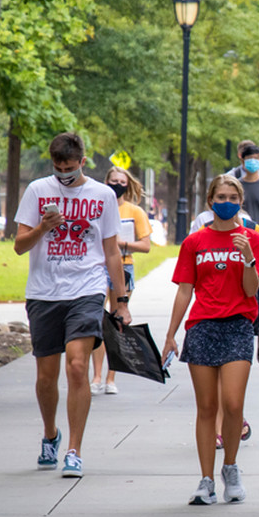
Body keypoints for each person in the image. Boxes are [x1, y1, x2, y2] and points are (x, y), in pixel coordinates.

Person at [13, 132, 130, 478]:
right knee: (46, 377)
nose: (63, 173)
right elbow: (20, 245)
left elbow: (111, 252)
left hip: (87, 289)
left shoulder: (102, 195)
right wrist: (43, 227)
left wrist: (120, 301)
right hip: (45, 292)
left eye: (69, 167)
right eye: (57, 167)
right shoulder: (37, 191)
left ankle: (74, 450)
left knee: (77, 367)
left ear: (82, 161)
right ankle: (51, 434)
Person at [163, 175, 259, 505]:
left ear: (241, 201)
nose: (226, 201)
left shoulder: (252, 239)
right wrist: (171, 334)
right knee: (206, 407)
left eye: (232, 196)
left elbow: (252, 289)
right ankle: (206, 479)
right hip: (202, 326)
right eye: (220, 196)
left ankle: (231, 467)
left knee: (234, 404)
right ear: (210, 201)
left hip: (238, 324)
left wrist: (248, 258)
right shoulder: (194, 242)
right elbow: (184, 290)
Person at [90, 166, 152, 396]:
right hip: (98, 264)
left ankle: (110, 377)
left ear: (128, 185)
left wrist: (120, 244)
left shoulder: (134, 211)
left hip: (123, 265)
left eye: (122, 181)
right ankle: (96, 376)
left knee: (116, 321)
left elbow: (145, 245)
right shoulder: (97, 207)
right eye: (113, 180)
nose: (117, 184)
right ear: (105, 182)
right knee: (96, 320)